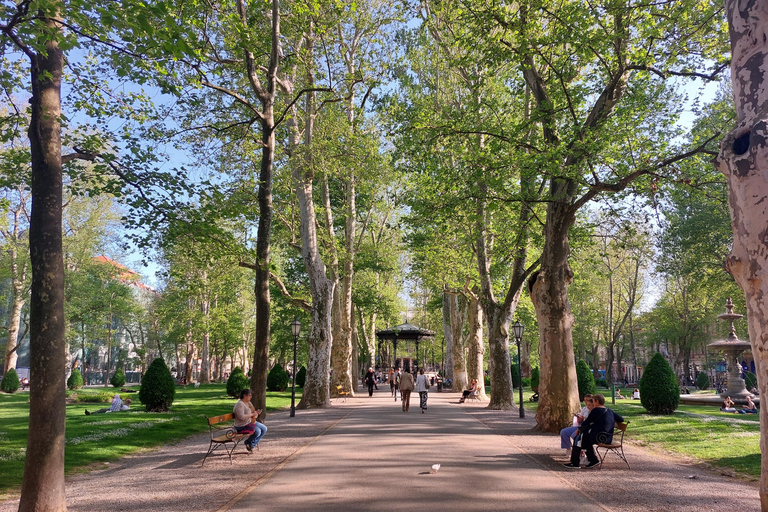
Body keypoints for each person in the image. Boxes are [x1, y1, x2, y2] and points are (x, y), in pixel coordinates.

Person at [563, 393, 624, 469]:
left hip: (599, 437)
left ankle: (575, 463)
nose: (593, 403)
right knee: (584, 437)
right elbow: (621, 419)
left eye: (593, 401)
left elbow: (586, 422)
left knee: (578, 438)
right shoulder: (609, 410)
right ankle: (593, 460)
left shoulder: (596, 410)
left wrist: (578, 429)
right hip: (607, 438)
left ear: (597, 401)